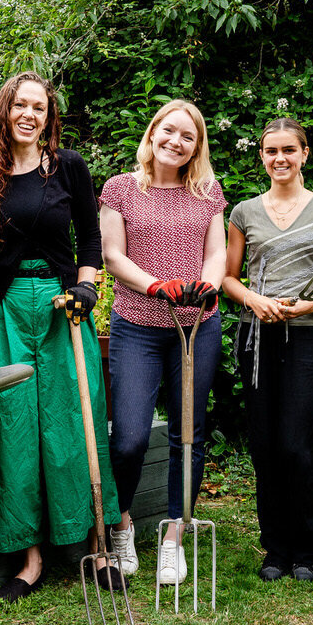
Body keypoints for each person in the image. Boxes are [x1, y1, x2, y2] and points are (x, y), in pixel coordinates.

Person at [0, 71, 123, 603]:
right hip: (1, 309)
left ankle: (96, 543)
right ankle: (29, 559)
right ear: (4, 110)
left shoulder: (68, 166)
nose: (30, 114)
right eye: (21, 105)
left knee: (76, 420)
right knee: (14, 428)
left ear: (49, 117)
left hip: (60, 308)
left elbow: (91, 238)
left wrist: (88, 288)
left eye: (40, 108)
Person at [100, 99, 227, 585]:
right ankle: (123, 526)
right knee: (130, 437)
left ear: (197, 146)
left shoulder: (207, 191)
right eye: (169, 131)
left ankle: (174, 535)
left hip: (196, 328)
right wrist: (155, 285)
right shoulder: (121, 189)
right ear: (153, 134)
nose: (177, 142)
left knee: (186, 435)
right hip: (138, 326)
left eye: (188, 136)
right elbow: (113, 256)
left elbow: (214, 253)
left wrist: (209, 285)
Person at [221, 118, 313, 583]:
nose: (280, 159)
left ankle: (312, 549)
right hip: (256, 337)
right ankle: (276, 548)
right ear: (261, 157)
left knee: (302, 443)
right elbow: (228, 276)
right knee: (265, 444)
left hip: (307, 335)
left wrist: (310, 306)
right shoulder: (243, 212)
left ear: (304, 154)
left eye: (288, 150)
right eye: (271, 151)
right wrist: (254, 300)